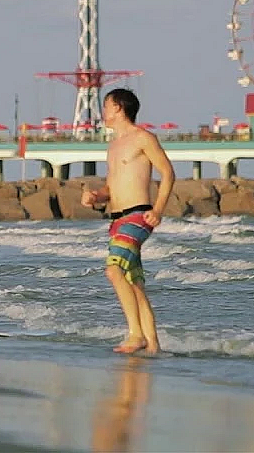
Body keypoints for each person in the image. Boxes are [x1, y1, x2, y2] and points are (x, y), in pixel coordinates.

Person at [80, 88, 174, 355]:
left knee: (113, 271)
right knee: (134, 283)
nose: (103, 111)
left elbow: (168, 174)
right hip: (117, 219)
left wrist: (158, 210)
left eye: (106, 105)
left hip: (138, 215)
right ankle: (153, 345)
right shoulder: (113, 145)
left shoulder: (143, 138)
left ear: (119, 108)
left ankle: (135, 335)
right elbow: (112, 186)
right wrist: (96, 196)